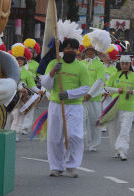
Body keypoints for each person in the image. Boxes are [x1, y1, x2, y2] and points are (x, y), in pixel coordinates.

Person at [41, 36, 90, 178]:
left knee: (75, 136)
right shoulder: (54, 63)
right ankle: (56, 167)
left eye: (73, 48)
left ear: (77, 51)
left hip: (74, 106)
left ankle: (72, 165)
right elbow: (45, 84)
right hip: (56, 105)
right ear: (63, 49)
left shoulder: (81, 67)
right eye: (67, 48)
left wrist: (69, 94)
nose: (70, 50)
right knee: (55, 137)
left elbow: (85, 87)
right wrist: (52, 73)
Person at [104, 55, 134, 161]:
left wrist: (132, 91)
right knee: (114, 129)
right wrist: (116, 90)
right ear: (120, 64)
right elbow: (107, 87)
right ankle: (117, 150)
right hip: (115, 106)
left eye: (126, 64)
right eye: (122, 64)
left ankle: (123, 151)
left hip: (128, 107)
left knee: (125, 129)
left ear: (130, 65)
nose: (124, 66)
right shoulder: (115, 75)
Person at [81, 40, 106, 152]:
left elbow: (100, 80)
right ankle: (79, 142)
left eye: (91, 50)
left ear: (95, 52)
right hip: (80, 97)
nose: (89, 52)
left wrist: (90, 94)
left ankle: (93, 144)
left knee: (93, 121)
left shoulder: (99, 64)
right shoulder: (81, 63)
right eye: (88, 50)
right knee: (81, 120)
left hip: (94, 98)